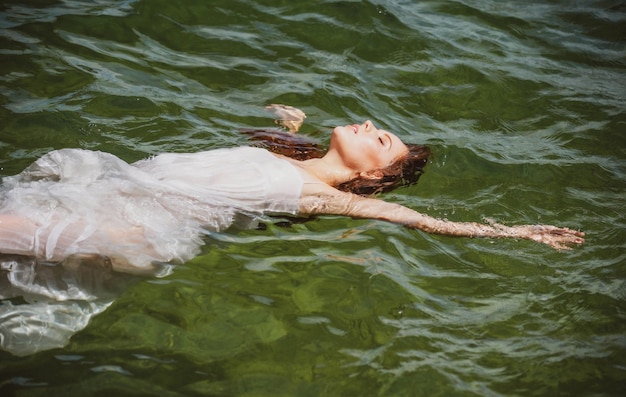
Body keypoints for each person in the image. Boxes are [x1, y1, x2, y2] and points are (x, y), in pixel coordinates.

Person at [0, 105, 584, 356]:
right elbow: (246, 146)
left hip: (138, 226)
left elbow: (418, 220)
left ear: (373, 174)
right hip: (116, 197)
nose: (371, 124)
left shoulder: (322, 197)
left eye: (380, 140)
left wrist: (519, 234)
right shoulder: (295, 155)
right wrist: (289, 120)